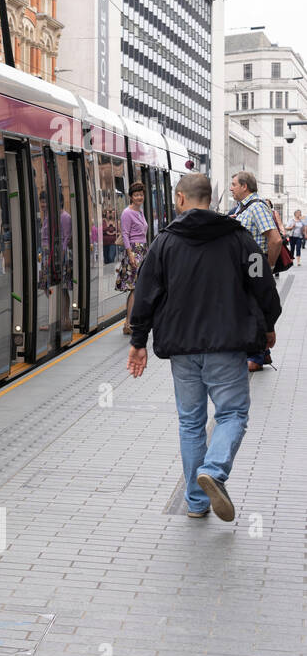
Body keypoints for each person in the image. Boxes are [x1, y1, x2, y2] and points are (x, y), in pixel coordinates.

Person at [127, 173, 280, 521]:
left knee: (191, 423)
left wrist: (138, 341)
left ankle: (196, 503)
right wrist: (268, 324)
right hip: (227, 346)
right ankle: (214, 469)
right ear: (209, 199)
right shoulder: (239, 238)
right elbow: (263, 281)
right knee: (232, 414)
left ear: (180, 199)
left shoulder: (164, 243)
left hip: (181, 348)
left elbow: (146, 291)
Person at [230, 171, 282, 371]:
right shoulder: (243, 208)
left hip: (254, 263)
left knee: (255, 307)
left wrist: (267, 266)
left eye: (234, 184)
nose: (231, 188)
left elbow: (275, 239)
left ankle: (257, 355)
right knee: (250, 306)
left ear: (245, 186)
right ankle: (262, 351)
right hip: (247, 265)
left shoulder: (257, 207)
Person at [115, 182, 149, 336]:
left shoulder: (140, 212)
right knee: (135, 288)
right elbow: (126, 234)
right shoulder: (127, 213)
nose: (139, 197)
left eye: (141, 194)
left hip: (142, 250)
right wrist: (130, 254)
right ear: (131, 197)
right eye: (136, 195)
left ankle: (131, 321)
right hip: (134, 252)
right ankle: (128, 323)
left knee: (139, 288)